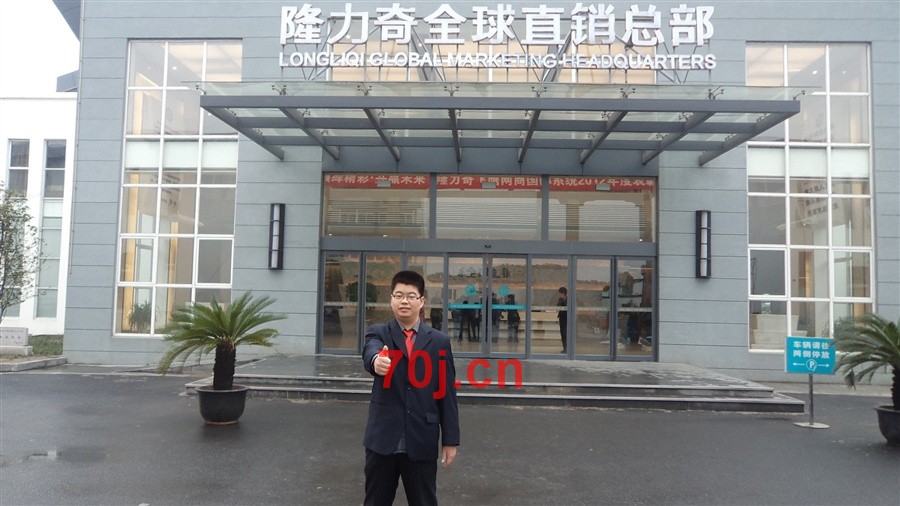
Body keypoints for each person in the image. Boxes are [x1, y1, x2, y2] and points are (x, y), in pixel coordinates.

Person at [362, 270, 460, 506]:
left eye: (410, 296)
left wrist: (450, 440)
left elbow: (446, 393)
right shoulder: (379, 333)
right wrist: (376, 361)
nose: (404, 301)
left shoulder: (439, 341)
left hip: (421, 438)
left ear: (421, 301)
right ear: (391, 300)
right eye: (398, 295)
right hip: (383, 439)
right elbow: (371, 351)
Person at [557, 287, 568, 353]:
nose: (559, 295)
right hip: (562, 318)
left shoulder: (568, 299)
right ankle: (564, 347)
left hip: (567, 318)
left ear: (563, 293)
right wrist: (561, 301)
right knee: (563, 333)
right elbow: (558, 307)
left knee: (566, 333)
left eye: (560, 293)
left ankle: (567, 348)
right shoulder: (560, 300)